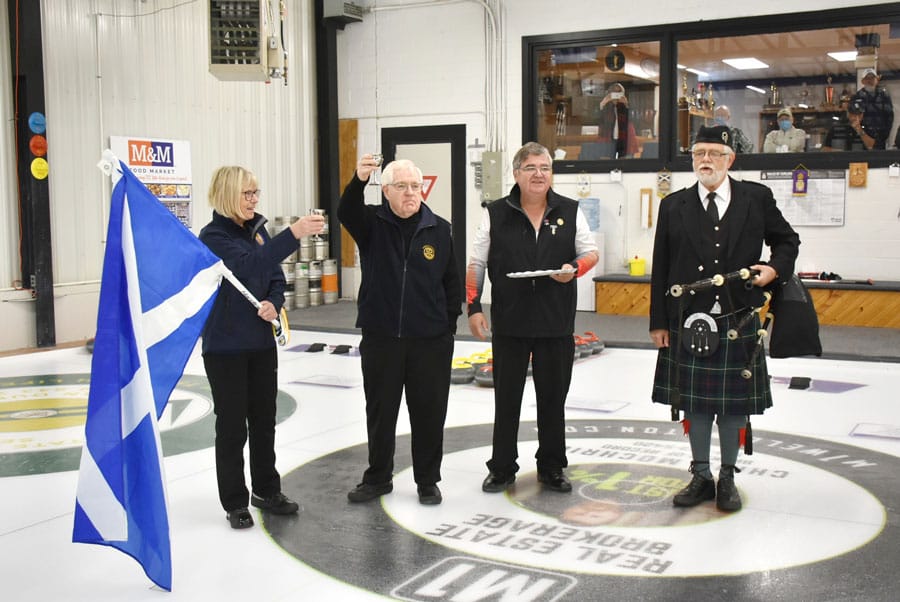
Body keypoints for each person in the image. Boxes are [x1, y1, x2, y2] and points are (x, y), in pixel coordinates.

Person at [649, 125, 800, 512]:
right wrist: (659, 321)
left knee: (734, 406)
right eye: (699, 153)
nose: (706, 160)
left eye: (715, 153)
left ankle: (727, 476)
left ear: (730, 159)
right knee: (696, 404)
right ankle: (700, 474)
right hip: (688, 319)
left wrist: (774, 269)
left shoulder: (756, 197)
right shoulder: (673, 205)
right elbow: (661, 267)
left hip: (739, 317)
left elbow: (787, 240)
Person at [467, 141, 599, 495]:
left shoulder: (571, 211)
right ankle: (502, 468)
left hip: (556, 324)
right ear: (516, 173)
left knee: (553, 400)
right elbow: (476, 263)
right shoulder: (494, 213)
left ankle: (553, 467)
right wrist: (474, 306)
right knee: (506, 399)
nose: (539, 174)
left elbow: (590, 253)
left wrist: (575, 268)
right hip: (510, 323)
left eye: (545, 168)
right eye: (531, 168)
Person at [200, 166, 325, 529]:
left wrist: (274, 301)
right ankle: (235, 500)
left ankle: (267, 491)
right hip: (225, 346)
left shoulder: (256, 232)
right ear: (228, 195)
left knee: (264, 421)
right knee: (233, 426)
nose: (255, 199)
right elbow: (244, 266)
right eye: (247, 194)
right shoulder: (212, 237)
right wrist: (294, 233)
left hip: (258, 342)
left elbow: (274, 276)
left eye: (256, 192)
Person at [338, 156, 461, 506]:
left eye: (415, 186)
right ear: (387, 191)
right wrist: (359, 179)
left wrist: (447, 326)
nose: (410, 193)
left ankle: (427, 480)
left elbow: (451, 282)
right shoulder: (372, 223)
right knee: (381, 412)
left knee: (429, 412)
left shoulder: (440, 228)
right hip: (382, 337)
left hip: (431, 341)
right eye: (402, 186)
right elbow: (346, 209)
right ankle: (378, 477)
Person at [851, 68, 893, 150]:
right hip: (861, 140)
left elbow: (890, 117)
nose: (869, 81)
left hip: (880, 139)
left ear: (876, 80)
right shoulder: (856, 97)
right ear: (862, 81)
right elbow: (853, 117)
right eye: (867, 78)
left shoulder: (885, 96)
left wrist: (885, 135)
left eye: (872, 78)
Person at [596, 83, 639, 158]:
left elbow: (635, 121)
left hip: (626, 141)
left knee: (626, 164)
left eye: (618, 92)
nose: (616, 95)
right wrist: (603, 103)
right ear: (609, 93)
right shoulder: (606, 107)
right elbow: (599, 121)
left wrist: (626, 105)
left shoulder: (626, 107)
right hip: (608, 140)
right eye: (613, 92)